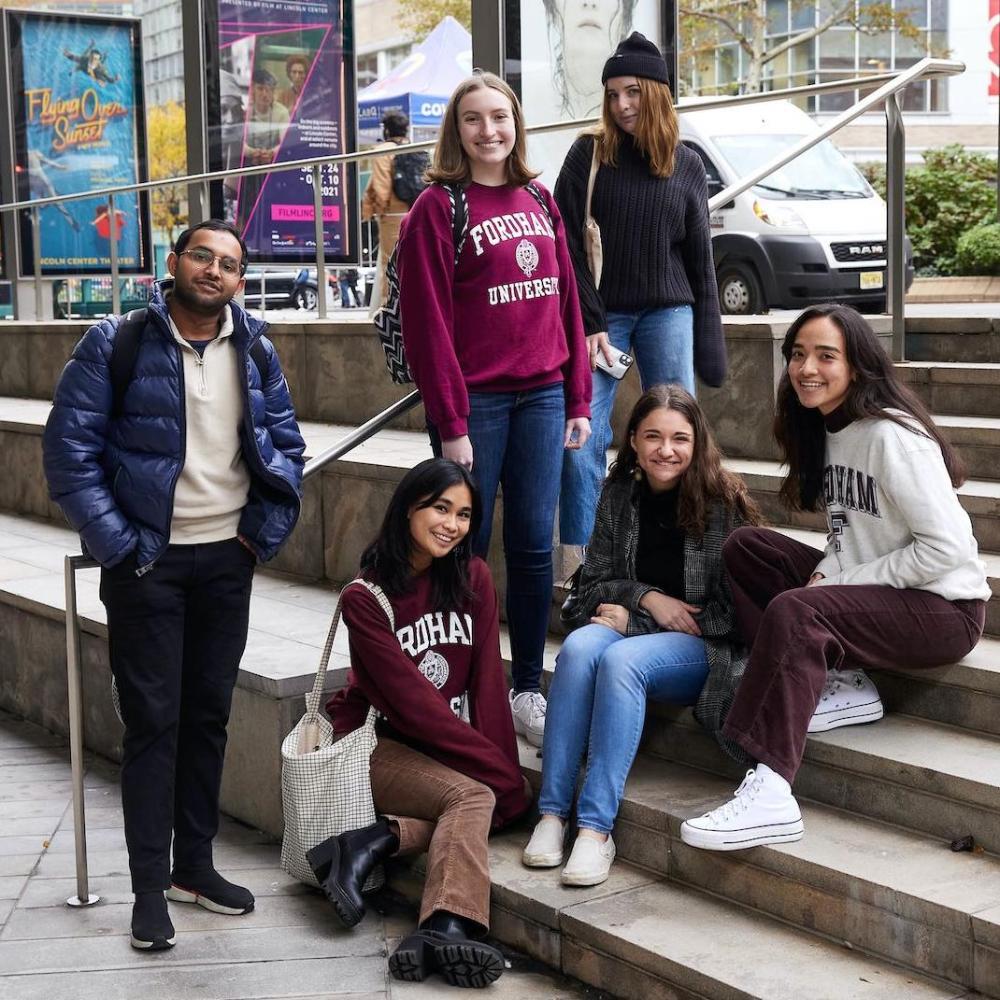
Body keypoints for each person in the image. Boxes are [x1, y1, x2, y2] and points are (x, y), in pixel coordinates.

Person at [42, 220, 305, 951]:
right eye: (202, 256)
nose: (214, 270)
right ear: (174, 263)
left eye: (229, 263)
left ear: (240, 281)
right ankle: (148, 890)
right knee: (153, 725)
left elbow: (286, 447)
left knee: (209, 717)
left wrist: (258, 534)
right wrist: (119, 545)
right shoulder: (116, 342)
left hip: (226, 561)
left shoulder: (255, 348)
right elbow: (67, 453)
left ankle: (195, 867)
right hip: (147, 566)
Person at [681, 304, 989, 851]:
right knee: (747, 549)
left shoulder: (892, 437)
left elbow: (948, 550)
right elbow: (850, 534)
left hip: (945, 609)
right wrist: (828, 571)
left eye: (826, 356)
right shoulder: (831, 427)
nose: (807, 368)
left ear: (857, 365)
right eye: (798, 354)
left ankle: (773, 791)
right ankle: (842, 683)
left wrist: (845, 584)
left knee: (798, 610)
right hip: (884, 595)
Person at [394, 71, 592, 749]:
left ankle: (526, 687)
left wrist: (578, 395)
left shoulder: (539, 197)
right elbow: (427, 325)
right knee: (463, 548)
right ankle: (459, 688)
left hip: (542, 396)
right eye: (473, 119)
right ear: (457, 130)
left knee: (534, 546)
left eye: (500, 117)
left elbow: (567, 302)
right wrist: (451, 424)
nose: (489, 131)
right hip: (475, 403)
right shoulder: (436, 207)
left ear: (516, 125)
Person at [522, 385, 761, 885]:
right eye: (653, 436)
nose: (665, 450)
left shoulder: (723, 504)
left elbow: (733, 614)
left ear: (697, 442)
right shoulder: (619, 494)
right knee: (579, 648)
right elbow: (591, 585)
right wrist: (648, 598)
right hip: (635, 628)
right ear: (632, 439)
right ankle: (551, 814)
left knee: (621, 661)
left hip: (704, 647)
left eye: (679, 438)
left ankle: (595, 830)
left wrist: (637, 621)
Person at [316, 458, 532, 988]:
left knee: (497, 796)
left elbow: (487, 685)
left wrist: (503, 766)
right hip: (373, 745)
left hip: (436, 748)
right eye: (440, 508)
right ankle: (445, 924)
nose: (452, 525)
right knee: (476, 798)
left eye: (464, 514)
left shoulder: (473, 577)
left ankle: (373, 841)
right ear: (408, 509)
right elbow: (414, 708)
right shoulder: (365, 597)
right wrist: (499, 777)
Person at [555, 33, 725, 550]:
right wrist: (590, 320)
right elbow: (565, 246)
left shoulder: (687, 162)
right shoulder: (588, 154)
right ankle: (582, 562)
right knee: (579, 435)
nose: (621, 105)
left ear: (655, 93)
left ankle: (680, 547)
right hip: (604, 319)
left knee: (678, 434)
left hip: (668, 313)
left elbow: (699, 260)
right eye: (612, 94)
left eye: (631, 91)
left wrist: (710, 343)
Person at [362, 110, 414, 309]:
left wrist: (380, 210)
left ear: (386, 130)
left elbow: (381, 185)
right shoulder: (415, 147)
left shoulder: (382, 150)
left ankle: (390, 307)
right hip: (415, 210)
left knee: (390, 262)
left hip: (393, 214)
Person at [237, 69, 291, 230]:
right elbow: (238, 143)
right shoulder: (244, 112)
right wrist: (252, 152)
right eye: (260, 89)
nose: (265, 94)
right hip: (249, 168)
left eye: (269, 90)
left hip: (273, 169)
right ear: (253, 89)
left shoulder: (281, 112)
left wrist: (272, 152)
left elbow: (285, 142)